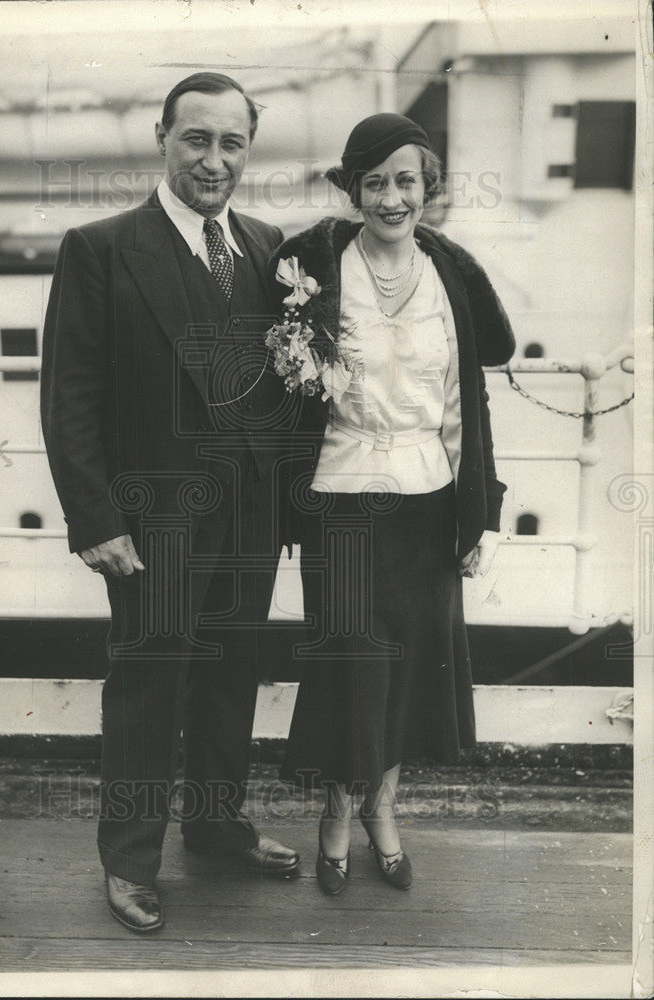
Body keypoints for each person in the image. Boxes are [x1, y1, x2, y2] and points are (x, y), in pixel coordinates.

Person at [41, 72, 301, 934]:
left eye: (232, 143)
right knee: (148, 685)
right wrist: (95, 521)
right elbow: (70, 394)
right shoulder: (101, 247)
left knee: (232, 676)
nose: (214, 159)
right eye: (197, 139)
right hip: (150, 519)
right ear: (162, 137)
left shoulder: (270, 248)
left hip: (249, 513)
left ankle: (218, 828)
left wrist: (288, 501)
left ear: (248, 149)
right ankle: (129, 863)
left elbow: (290, 386)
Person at [270, 113, 515, 895]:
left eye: (406, 180)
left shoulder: (448, 272)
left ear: (427, 187)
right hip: (342, 500)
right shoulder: (313, 264)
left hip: (427, 500)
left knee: (409, 671)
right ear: (353, 190)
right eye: (374, 182)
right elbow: (283, 385)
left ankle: (384, 812)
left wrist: (480, 511)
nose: (391, 197)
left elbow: (462, 402)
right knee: (351, 666)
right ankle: (336, 817)